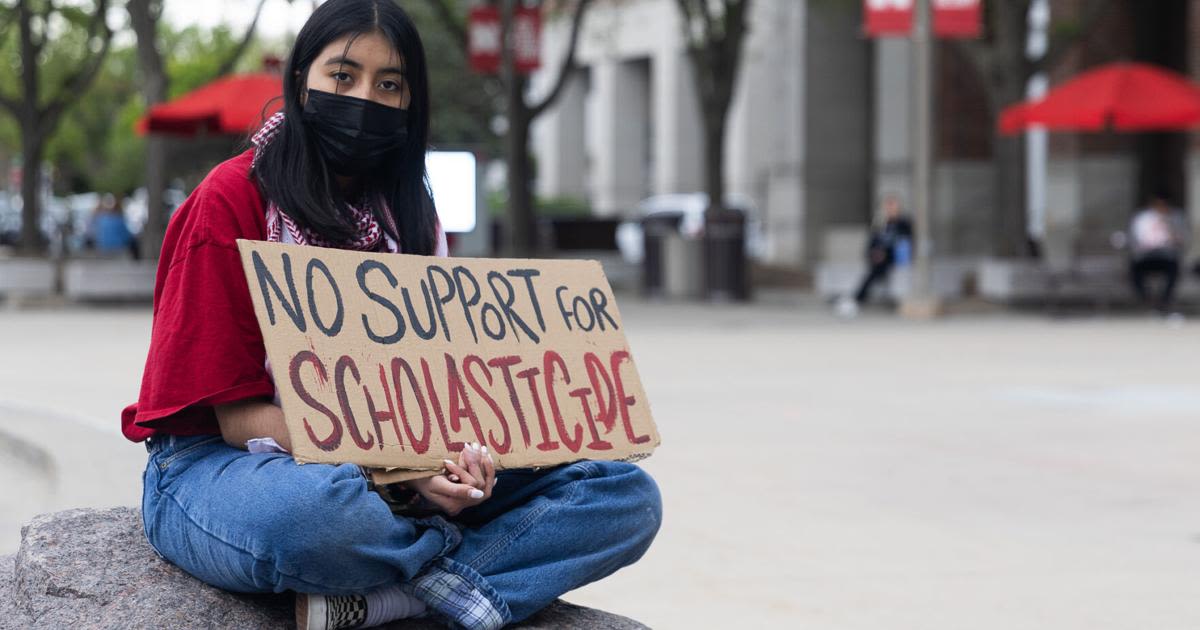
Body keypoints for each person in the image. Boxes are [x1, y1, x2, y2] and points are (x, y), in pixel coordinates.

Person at [121, 3, 661, 629]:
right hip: (225, 466)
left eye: (389, 85)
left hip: (400, 471)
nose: (364, 98)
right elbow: (237, 418)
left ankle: (398, 597)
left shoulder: (414, 218)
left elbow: (440, 392)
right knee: (316, 517)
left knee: (622, 496)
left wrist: (458, 466)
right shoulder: (230, 200)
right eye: (342, 76)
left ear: (411, 102)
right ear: (301, 81)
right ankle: (479, 575)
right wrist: (398, 474)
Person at [837, 194, 913, 317]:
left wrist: (886, 251)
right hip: (879, 258)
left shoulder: (904, 224)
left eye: (893, 206)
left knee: (876, 270)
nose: (890, 209)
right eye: (888, 206)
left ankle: (856, 299)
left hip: (895, 256)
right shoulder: (881, 223)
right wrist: (874, 252)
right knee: (875, 267)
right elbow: (872, 241)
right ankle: (855, 300)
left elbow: (904, 242)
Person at [1128, 194, 1188, 314]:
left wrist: (1170, 227)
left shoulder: (1175, 217)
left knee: (1174, 269)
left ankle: (1164, 300)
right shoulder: (1142, 218)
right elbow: (1135, 238)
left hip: (1166, 255)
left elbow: (1183, 239)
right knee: (1134, 269)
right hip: (1146, 255)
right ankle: (1146, 298)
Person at [87, 194, 140, 259]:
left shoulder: (100, 218)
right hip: (117, 247)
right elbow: (127, 236)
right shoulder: (119, 219)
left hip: (101, 247)